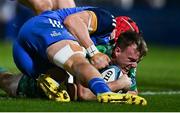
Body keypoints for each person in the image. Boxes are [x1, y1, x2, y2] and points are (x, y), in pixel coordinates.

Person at [12, 6, 147, 105]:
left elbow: (132, 90)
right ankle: (104, 91)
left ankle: (47, 80)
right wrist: (94, 52)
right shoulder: (107, 21)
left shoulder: (118, 52)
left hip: (27, 54)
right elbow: (71, 21)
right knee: (78, 61)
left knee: (65, 83)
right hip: (44, 27)